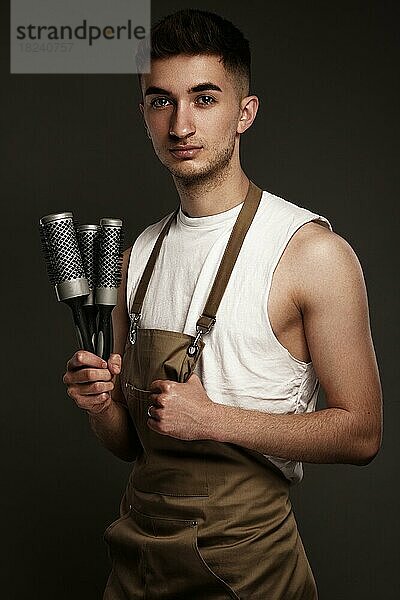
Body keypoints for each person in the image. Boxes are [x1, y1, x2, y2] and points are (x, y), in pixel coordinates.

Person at [63, 9, 382, 600]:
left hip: (247, 569)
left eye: (204, 98)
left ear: (245, 112)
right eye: (161, 101)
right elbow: (130, 444)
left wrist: (213, 419)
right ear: (144, 114)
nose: (181, 123)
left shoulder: (311, 253)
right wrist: (98, 402)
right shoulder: (136, 254)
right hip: (138, 559)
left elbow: (362, 433)